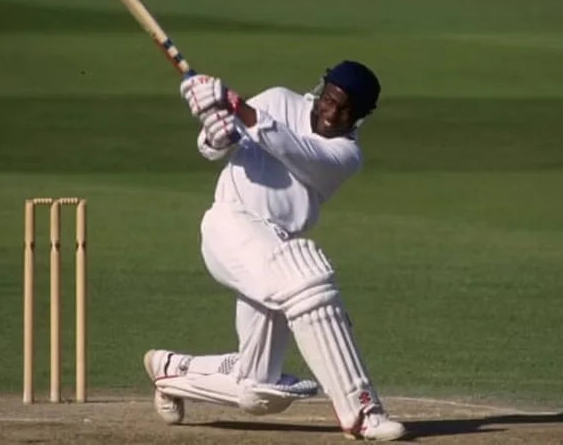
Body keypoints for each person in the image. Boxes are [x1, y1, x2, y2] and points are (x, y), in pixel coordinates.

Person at [143, 61, 406, 441]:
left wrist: (237, 105)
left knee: (258, 391)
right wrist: (215, 136)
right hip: (232, 225)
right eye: (329, 100)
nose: (331, 114)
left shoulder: (345, 156)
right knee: (310, 277)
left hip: (273, 249)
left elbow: (293, 148)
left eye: (345, 110)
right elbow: (219, 144)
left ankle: (172, 372)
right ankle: (362, 411)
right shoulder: (279, 100)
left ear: (361, 117)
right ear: (320, 90)